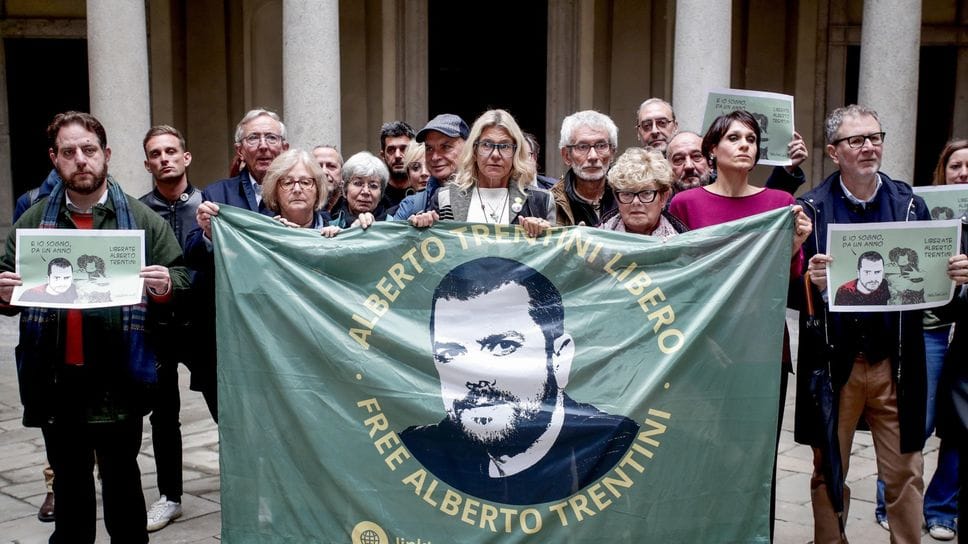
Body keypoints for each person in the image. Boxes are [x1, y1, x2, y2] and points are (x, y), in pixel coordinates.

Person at [0, 111, 189, 544]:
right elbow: (8, 283)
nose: (80, 160)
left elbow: (180, 279)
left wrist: (163, 286)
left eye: (89, 150)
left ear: (105, 155)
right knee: (70, 491)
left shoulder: (142, 220)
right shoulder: (32, 223)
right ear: (55, 159)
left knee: (123, 485)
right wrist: (3, 292)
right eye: (69, 152)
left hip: (118, 378)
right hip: (56, 379)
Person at [794, 104, 958, 544]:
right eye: (856, 140)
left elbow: (932, 286)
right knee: (829, 467)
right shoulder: (810, 208)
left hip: (896, 362)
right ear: (833, 151)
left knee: (906, 467)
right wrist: (811, 281)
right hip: (834, 364)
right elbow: (788, 292)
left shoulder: (909, 204)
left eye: (875, 137)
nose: (868, 147)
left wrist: (955, 277)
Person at [668, 109, 812, 541]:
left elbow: (787, 282)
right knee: (698, 451)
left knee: (756, 457)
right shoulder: (685, 204)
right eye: (734, 137)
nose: (745, 144)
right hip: (702, 349)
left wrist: (796, 245)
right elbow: (678, 277)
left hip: (762, 349)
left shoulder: (779, 204)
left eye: (751, 138)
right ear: (712, 150)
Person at [400, 256, 639, 505]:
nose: (476, 376)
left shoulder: (616, 447)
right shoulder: (419, 453)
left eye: (504, 346)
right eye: (451, 353)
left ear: (559, 359)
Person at [874, 139, 968, 540]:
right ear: (942, 173)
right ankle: (889, 501)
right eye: (956, 166)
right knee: (914, 421)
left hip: (964, 336)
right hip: (927, 329)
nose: (963, 173)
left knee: (963, 425)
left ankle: (942, 508)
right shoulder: (916, 207)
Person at [138, 124, 206, 532]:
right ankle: (170, 497)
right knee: (163, 417)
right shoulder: (137, 210)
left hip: (203, 326)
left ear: (186, 157)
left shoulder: (208, 204)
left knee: (225, 410)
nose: (164, 158)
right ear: (147, 163)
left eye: (170, 151)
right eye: (155, 153)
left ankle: (241, 483)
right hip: (156, 326)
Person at [409, 109, 554, 237]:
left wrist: (547, 234)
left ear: (516, 152)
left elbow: (554, 260)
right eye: (486, 145)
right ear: (474, 150)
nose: (495, 154)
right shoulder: (444, 198)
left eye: (505, 146)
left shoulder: (540, 201)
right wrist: (421, 226)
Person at [666, 129, 810, 194]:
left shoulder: (731, 193)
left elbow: (763, 211)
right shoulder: (656, 205)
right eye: (679, 160)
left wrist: (787, 169)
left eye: (697, 156)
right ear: (668, 168)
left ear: (710, 162)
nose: (689, 166)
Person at [392, 114, 469, 221]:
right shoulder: (415, 205)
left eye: (446, 147)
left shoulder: (487, 193)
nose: (435, 157)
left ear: (468, 148)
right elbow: (390, 236)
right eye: (429, 148)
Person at [599, 147, 687, 238]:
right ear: (616, 198)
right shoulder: (595, 241)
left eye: (646, 193)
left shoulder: (683, 245)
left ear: (663, 198)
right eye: (627, 194)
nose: (636, 202)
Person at [552, 110, 618, 226]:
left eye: (601, 146)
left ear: (612, 153)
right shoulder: (550, 202)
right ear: (567, 155)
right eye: (582, 147)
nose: (593, 156)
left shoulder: (629, 196)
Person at [330, 151, 389, 228]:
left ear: (381, 193)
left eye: (373, 186)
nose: (365, 191)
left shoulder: (393, 225)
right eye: (358, 183)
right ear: (345, 190)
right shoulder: (330, 226)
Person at [379, 121, 416, 207]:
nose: (397, 155)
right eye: (391, 150)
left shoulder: (424, 188)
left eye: (404, 149)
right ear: (383, 155)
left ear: (414, 151)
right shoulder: (376, 192)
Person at [312, 144, 344, 213]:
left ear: (341, 175)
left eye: (331, 166)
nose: (324, 171)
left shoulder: (351, 210)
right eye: (318, 166)